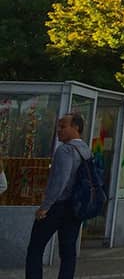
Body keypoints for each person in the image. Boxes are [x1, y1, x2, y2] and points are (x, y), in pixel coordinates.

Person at [25, 112, 92, 279]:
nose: (58, 130)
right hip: (75, 207)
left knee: (35, 249)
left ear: (76, 127)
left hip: (57, 206)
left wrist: (45, 207)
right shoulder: (85, 150)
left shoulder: (65, 150)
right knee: (68, 253)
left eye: (63, 126)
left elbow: (59, 181)